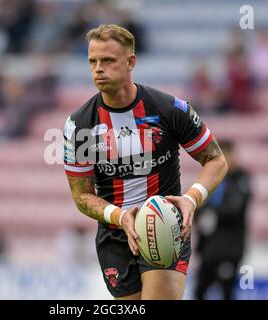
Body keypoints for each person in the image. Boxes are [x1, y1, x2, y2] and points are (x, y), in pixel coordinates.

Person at [63, 25, 228, 300]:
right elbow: (81, 196)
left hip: (164, 226)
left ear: (131, 62)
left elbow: (216, 160)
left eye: (108, 60)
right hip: (115, 235)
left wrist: (191, 199)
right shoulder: (79, 126)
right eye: (93, 61)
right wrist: (119, 216)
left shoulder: (170, 109)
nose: (98, 69)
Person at [194, 140, 252, 300]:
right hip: (208, 248)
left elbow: (236, 208)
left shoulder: (240, 179)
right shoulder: (210, 179)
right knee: (199, 290)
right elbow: (197, 207)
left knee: (226, 291)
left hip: (229, 248)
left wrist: (211, 211)